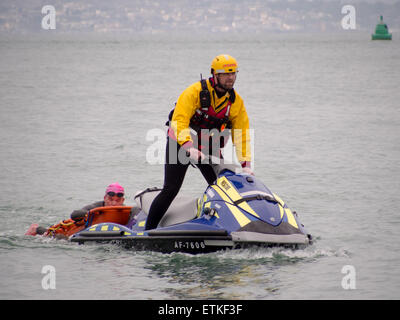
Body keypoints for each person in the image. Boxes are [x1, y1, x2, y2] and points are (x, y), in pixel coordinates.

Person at [145, 54, 253, 230]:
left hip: (209, 147)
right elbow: (179, 121)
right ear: (214, 74)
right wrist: (188, 146)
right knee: (171, 189)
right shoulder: (194, 92)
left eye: (233, 73)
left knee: (222, 187)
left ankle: (231, 227)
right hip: (180, 144)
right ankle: (148, 231)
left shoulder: (235, 103)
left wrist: (246, 163)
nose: (231, 78)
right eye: (226, 73)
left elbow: (242, 134)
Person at [25, 182, 136, 236]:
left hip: (111, 232)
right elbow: (74, 214)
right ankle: (36, 229)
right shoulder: (95, 208)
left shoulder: (126, 211)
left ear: (122, 201)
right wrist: (90, 215)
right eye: (110, 199)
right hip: (81, 231)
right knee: (60, 239)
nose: (113, 203)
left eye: (117, 200)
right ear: (105, 198)